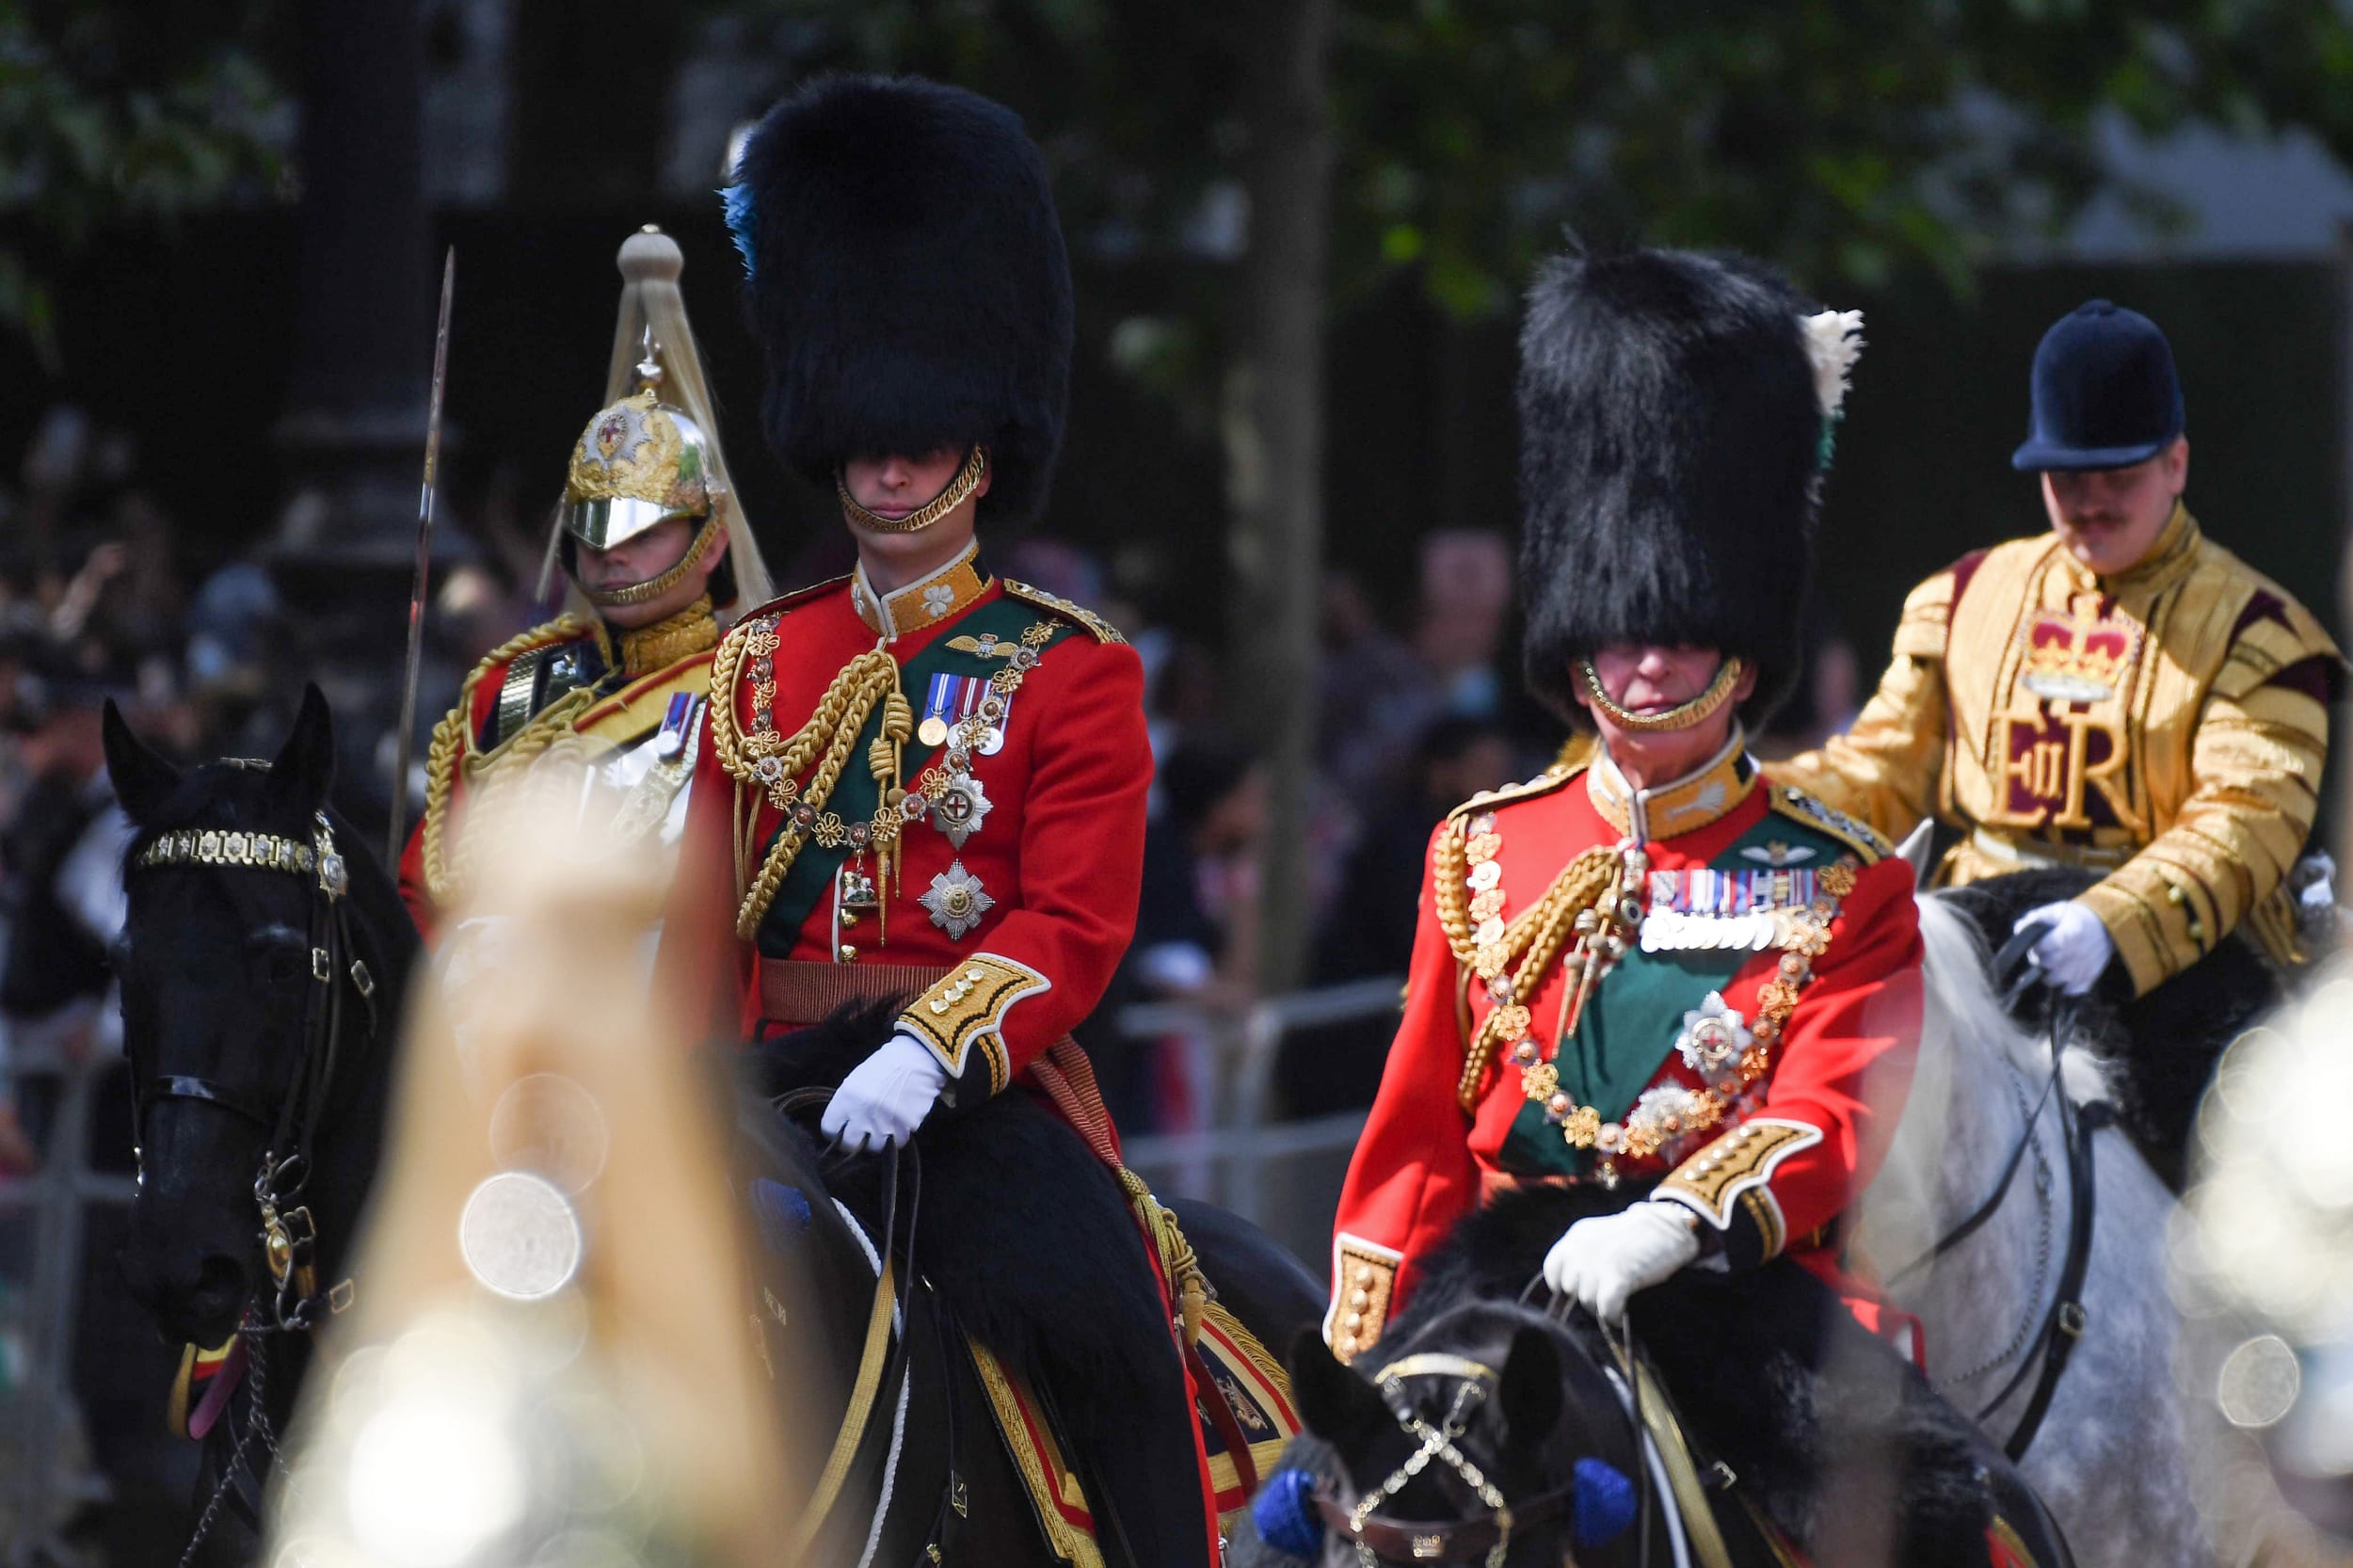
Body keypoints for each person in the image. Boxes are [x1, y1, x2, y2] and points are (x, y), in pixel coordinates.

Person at [669, 75, 1219, 1568]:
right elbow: (702, 919)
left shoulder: (1068, 664)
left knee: (1118, 1336)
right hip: (764, 1090)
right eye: (864, 440)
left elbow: (1081, 920)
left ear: (982, 442)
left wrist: (933, 1045)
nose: (891, 465)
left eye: (919, 438)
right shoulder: (760, 661)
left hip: (975, 1103)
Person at [1325, 248, 1921, 1356]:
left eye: (1682, 632)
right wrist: (1358, 1357)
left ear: (1741, 653)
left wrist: (1676, 1222)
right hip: (1491, 1297)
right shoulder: (1479, 849)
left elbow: (1827, 1118)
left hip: (1729, 1296)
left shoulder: (1848, 884)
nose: (1645, 665)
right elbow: (1414, 1145)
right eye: (1621, 630)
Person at [1774, 299, 2342, 999]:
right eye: (2067, 480)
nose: (2091, 503)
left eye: (2120, 478)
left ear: (2177, 465)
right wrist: (1744, 798)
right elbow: (1881, 771)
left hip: (2190, 969)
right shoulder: (1964, 596)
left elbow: (2248, 822)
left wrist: (2112, 922)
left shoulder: (2259, 632)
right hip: (1979, 943)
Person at [399, 227, 773, 936]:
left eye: (644, 531)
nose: (610, 554)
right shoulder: (512, 687)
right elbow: (431, 890)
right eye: (594, 529)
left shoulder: (758, 689)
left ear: (711, 539)